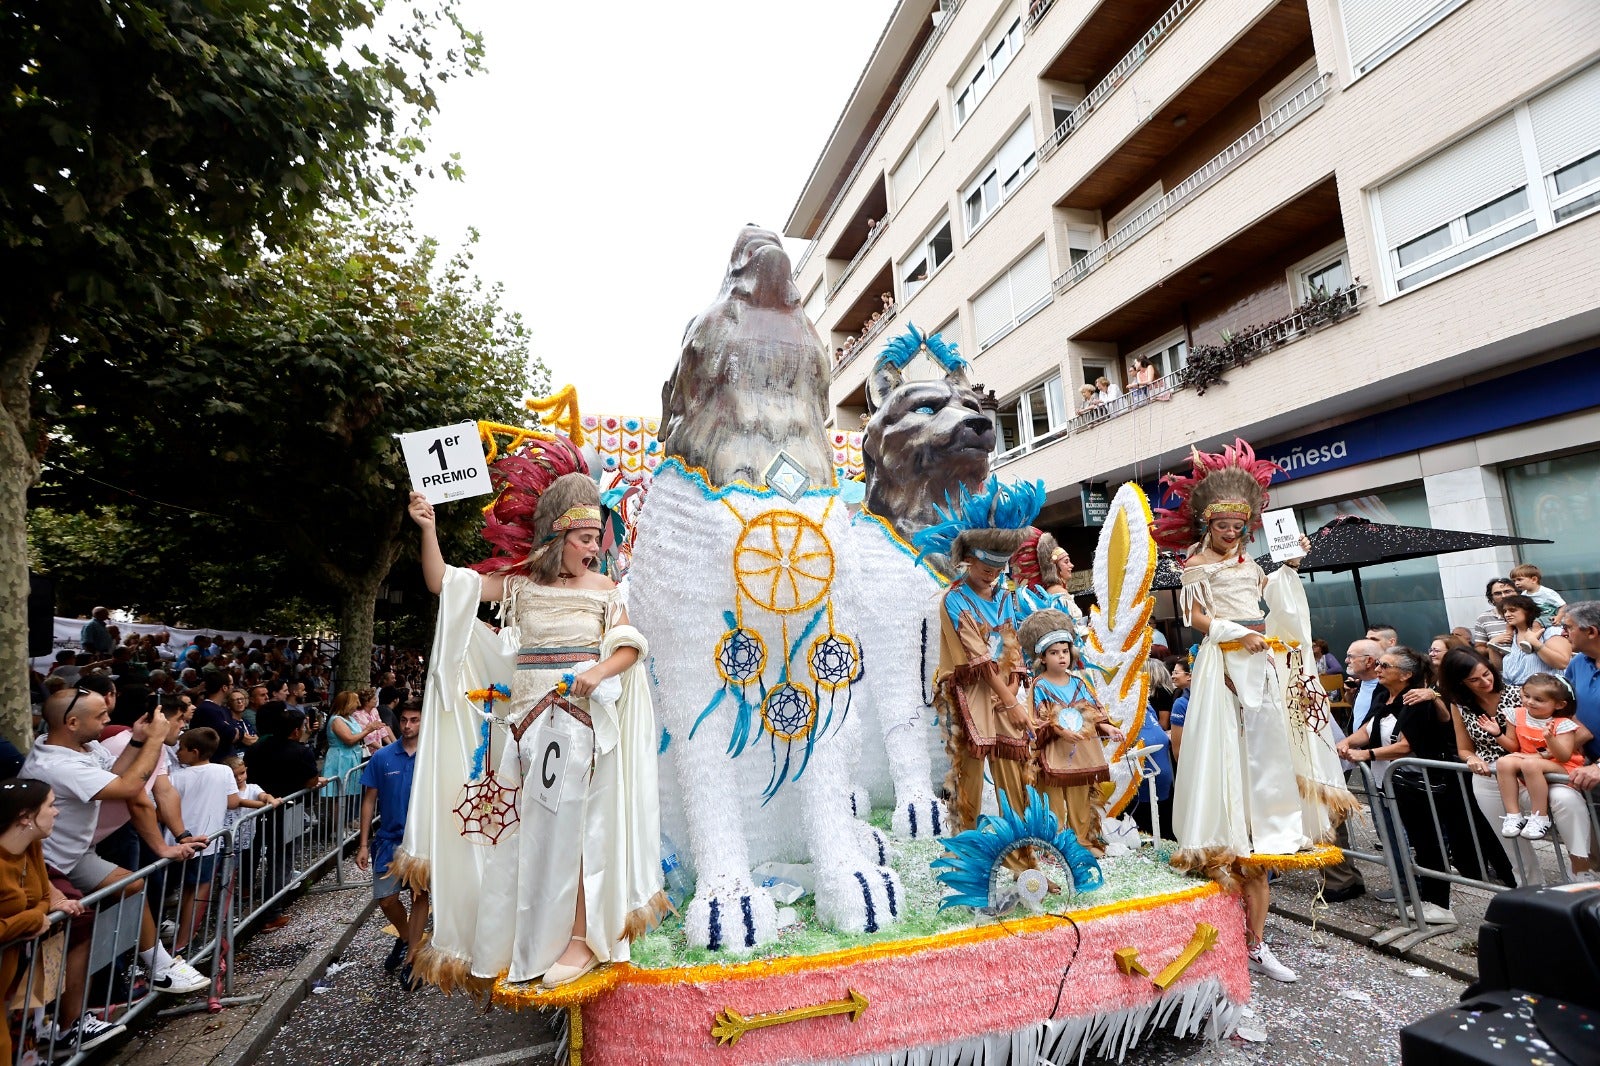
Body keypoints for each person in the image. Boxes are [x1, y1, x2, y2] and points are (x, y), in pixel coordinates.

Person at [403, 463, 663, 991]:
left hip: (580, 732)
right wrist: (427, 527)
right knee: (524, 838)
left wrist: (595, 671)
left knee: (581, 834)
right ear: (558, 534)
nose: (594, 548)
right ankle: (526, 939)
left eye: (597, 539)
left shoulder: (604, 588)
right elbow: (445, 585)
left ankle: (580, 939)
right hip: (524, 735)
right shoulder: (519, 586)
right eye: (586, 538)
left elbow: (630, 646)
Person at [1152, 439, 1354, 984]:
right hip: (1224, 663)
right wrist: (1237, 634)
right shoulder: (1194, 564)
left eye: (1241, 522)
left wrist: (1288, 566)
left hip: (1260, 663)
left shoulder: (1251, 564)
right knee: (1228, 750)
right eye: (1224, 521)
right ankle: (1228, 942)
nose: (1233, 529)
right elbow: (1196, 619)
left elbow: (1278, 603)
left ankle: (1257, 943)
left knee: (1267, 747)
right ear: (1209, 522)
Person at [20, 690, 209, 994]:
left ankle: (160, 967)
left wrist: (137, 740)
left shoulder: (81, 748)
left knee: (132, 885)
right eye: (100, 716)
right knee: (72, 937)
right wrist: (154, 741)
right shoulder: (57, 765)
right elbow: (128, 787)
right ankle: (64, 1024)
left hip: (76, 854)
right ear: (71, 722)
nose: (108, 720)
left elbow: (112, 775)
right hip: (46, 862)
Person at [1338, 647, 1507, 923]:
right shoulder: (1383, 695)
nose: (1378, 668)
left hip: (1420, 784)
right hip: (1392, 784)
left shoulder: (1418, 700)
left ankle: (1439, 904)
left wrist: (1366, 754)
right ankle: (1426, 899)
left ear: (1406, 674)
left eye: (1385, 665)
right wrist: (1347, 742)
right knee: (1414, 842)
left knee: (1429, 844)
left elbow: (1407, 745)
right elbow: (1368, 729)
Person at [927, 491, 1035, 837]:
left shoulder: (1005, 597)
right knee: (967, 781)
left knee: (1015, 782)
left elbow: (1011, 646)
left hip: (1004, 694)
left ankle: (1023, 861)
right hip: (967, 698)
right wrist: (1009, 701)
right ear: (968, 561)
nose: (992, 576)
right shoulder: (954, 600)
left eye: (998, 570)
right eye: (987, 569)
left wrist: (1013, 692)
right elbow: (979, 657)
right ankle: (965, 859)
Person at [1442, 650, 1592, 883]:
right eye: (1474, 679)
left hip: (1537, 770)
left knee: (1567, 801)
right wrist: (1471, 759)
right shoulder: (1459, 705)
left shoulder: (1522, 694)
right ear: (1460, 682)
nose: (1485, 681)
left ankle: (1582, 873)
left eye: (1486, 673)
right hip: (1491, 774)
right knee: (1511, 840)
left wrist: (1544, 754)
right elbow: (1464, 748)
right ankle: (1531, 890)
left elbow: (1579, 732)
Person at [0, 779, 122, 1058]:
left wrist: (38, 914)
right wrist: (32, 920)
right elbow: (39, 909)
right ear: (25, 817)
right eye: (51, 806)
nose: (56, 812)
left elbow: (45, 896)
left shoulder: (32, 846)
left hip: (14, 971)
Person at [1017, 610, 1121, 854]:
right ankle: (1056, 846)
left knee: (1080, 798)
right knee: (1053, 800)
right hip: (1054, 751)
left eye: (1064, 651)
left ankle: (1082, 843)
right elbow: (1037, 720)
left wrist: (1106, 726)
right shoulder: (1040, 685)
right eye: (1054, 653)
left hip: (1082, 750)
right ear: (1042, 658)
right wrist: (1059, 730)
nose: (1061, 657)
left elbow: (1094, 710)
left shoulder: (1078, 682)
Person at [356, 701, 428, 987]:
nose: (408, 725)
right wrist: (363, 844)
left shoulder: (431, 757)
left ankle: (412, 958)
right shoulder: (382, 756)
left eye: (414, 720)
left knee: (420, 895)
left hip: (421, 841)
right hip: (388, 839)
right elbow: (369, 800)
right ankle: (406, 936)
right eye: (404, 720)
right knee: (386, 899)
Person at [244, 704, 326, 930]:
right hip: (287, 809)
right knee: (281, 861)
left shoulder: (256, 748)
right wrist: (317, 781)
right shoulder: (301, 751)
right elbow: (310, 781)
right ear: (296, 731)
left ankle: (246, 890)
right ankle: (271, 914)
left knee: (254, 851)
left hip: (258, 807)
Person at [1481, 674, 1586, 841]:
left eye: (1539, 699)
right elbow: (1513, 747)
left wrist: (1550, 739)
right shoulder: (1517, 714)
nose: (1530, 702)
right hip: (1529, 761)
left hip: (1562, 767)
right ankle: (1513, 815)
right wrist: (1498, 734)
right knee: (1504, 762)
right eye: (1527, 696)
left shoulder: (1562, 723)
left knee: (1530, 764)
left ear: (1559, 704)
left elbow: (1564, 756)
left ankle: (1539, 816)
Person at [167, 728, 239, 953]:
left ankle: (175, 938)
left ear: (194, 752)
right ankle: (184, 940)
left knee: (168, 892)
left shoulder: (174, 777)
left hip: (174, 842)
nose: (177, 753)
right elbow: (233, 801)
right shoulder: (224, 772)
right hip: (208, 841)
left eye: (182, 749)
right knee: (196, 892)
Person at [1491, 593, 1572, 685]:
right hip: (1515, 694)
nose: (1507, 614)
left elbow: (1562, 663)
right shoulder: (1510, 636)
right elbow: (1499, 668)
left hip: (1545, 692)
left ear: (1528, 611)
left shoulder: (1549, 631)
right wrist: (1492, 646)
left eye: (1512, 610)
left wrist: (1535, 643)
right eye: (1505, 611)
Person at [320, 691, 375, 816]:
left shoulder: (349, 718)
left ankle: (345, 824)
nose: (358, 704)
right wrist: (368, 730)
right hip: (340, 758)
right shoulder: (336, 720)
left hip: (351, 757)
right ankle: (336, 830)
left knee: (348, 795)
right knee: (339, 796)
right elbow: (349, 739)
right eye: (356, 702)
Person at [1168, 658, 1191, 762]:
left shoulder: (1180, 704)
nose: (1172, 676)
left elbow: (1177, 751)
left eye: (1176, 673)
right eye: (1173, 672)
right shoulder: (1181, 701)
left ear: (1189, 675)